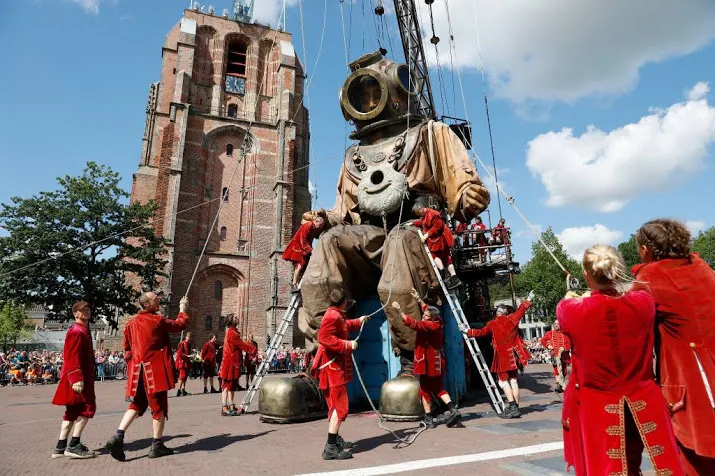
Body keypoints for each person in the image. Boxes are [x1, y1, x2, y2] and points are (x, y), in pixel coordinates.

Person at [558, 245, 683, 475]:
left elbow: (566, 309)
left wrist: (579, 297)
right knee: (642, 462)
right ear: (617, 272)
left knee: (605, 468)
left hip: (596, 404)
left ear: (587, 275)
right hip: (644, 396)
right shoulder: (643, 302)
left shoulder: (571, 310)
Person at [632, 219, 715, 474]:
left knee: (693, 464)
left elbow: (632, 323)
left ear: (646, 249)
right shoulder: (701, 266)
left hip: (691, 381)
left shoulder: (651, 276)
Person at [105, 293, 189, 461]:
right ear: (147, 304)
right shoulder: (156, 320)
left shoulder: (130, 323)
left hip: (138, 372)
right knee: (159, 408)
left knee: (138, 403)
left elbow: (127, 349)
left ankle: (118, 435)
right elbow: (179, 325)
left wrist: (134, 364)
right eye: (156, 299)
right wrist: (182, 309)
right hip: (154, 372)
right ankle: (156, 445)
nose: (159, 301)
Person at [311, 288, 368, 460]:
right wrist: (347, 345)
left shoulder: (336, 313)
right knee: (340, 407)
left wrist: (359, 321)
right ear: (343, 302)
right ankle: (330, 447)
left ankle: (335, 440)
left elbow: (343, 326)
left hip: (335, 367)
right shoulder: (332, 316)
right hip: (333, 368)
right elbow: (325, 338)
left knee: (335, 405)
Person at [393, 289, 461, 428]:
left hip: (426, 363)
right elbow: (427, 308)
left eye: (426, 316)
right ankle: (453, 410)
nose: (423, 316)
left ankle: (428, 418)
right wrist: (418, 298)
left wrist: (399, 311)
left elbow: (412, 323)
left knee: (424, 390)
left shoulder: (428, 326)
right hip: (437, 362)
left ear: (431, 318)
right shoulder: (438, 321)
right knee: (439, 388)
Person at [461, 294, 533, 418]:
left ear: (497, 313)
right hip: (514, 356)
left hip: (503, 357)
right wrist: (528, 299)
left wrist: (467, 331)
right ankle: (516, 407)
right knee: (514, 381)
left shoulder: (493, 323)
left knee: (502, 382)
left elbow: (480, 332)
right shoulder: (512, 319)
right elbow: (521, 310)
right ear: (505, 313)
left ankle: (513, 407)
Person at [51, 301, 97, 459]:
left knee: (71, 412)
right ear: (75, 313)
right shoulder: (77, 331)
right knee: (87, 408)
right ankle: (74, 445)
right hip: (79, 379)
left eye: (88, 309)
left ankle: (60, 446)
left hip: (77, 377)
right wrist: (76, 378)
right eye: (82, 310)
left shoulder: (83, 330)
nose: (86, 312)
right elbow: (71, 357)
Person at [413, 203, 461, 290]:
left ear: (421, 209)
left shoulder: (433, 214)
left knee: (436, 257)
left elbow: (437, 227)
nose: (419, 215)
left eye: (418, 213)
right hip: (438, 240)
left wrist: (426, 235)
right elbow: (422, 222)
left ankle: (444, 277)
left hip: (439, 241)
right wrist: (413, 223)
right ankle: (454, 279)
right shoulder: (425, 215)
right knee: (447, 260)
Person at [219, 315, 257, 416]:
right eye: (235, 318)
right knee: (226, 385)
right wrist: (254, 351)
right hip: (230, 363)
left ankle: (231, 405)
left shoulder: (234, 331)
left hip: (233, 363)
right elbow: (242, 345)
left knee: (232, 385)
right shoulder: (231, 333)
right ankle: (224, 407)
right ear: (231, 321)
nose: (238, 318)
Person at [282, 213, 325, 291]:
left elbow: (311, 239)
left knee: (304, 266)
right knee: (300, 265)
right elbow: (303, 240)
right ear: (316, 222)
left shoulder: (313, 228)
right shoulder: (308, 225)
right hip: (298, 248)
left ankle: (298, 282)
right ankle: (294, 284)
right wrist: (311, 251)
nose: (321, 227)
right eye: (320, 225)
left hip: (303, 249)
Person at [540, 322, 571, 393]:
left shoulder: (565, 334)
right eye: (555, 324)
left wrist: (564, 348)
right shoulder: (549, 333)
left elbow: (569, 343)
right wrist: (548, 345)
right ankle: (559, 385)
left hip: (563, 355)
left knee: (564, 370)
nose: (557, 325)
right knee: (556, 370)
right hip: (554, 355)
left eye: (558, 324)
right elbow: (543, 340)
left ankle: (562, 383)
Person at [175, 332, 191, 397]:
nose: (189, 339)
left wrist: (190, 356)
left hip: (186, 362)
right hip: (182, 362)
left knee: (185, 377)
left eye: (190, 338)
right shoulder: (182, 343)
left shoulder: (188, 344)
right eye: (189, 337)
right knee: (182, 376)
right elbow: (179, 353)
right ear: (186, 337)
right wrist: (187, 356)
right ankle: (178, 391)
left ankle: (183, 390)